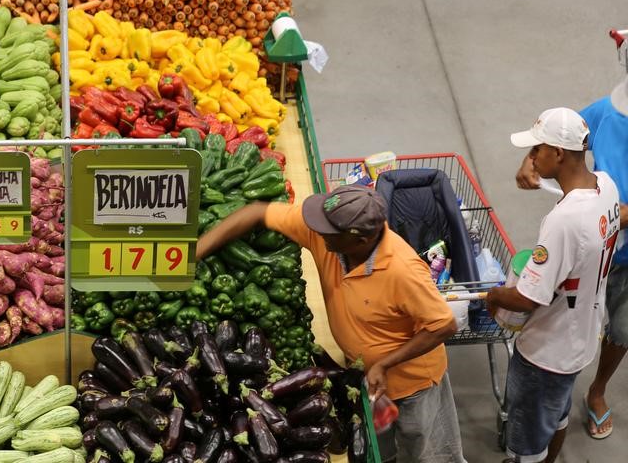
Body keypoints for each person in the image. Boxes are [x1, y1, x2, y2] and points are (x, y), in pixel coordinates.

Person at [196, 185, 466, 462]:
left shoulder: (403, 270)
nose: (316, 230)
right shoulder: (332, 237)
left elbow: (443, 325)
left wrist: (385, 363)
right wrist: (193, 253)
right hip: (366, 378)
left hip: (413, 384)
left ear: (358, 238)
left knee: (425, 451)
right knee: (380, 449)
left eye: (327, 230)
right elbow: (256, 212)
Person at [490, 107, 621, 463]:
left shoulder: (563, 221)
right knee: (557, 416)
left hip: (544, 353)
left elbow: (528, 297)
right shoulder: (606, 186)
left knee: (527, 441)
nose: (531, 158)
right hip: (580, 340)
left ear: (558, 154)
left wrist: (494, 294)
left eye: (537, 150)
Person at [516, 82, 628, 440]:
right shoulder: (610, 111)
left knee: (623, 329)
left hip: (609, 232)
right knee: (579, 311)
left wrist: (613, 216)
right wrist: (531, 157)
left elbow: (529, 296)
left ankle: (596, 391)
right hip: (596, 238)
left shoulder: (565, 220)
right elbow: (568, 132)